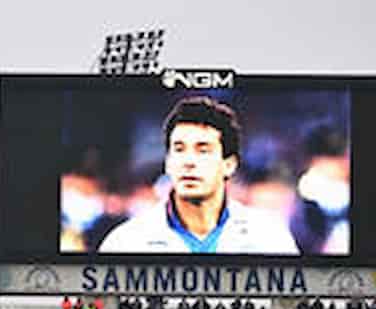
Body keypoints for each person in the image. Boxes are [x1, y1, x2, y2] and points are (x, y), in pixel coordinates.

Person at [99, 96, 298, 255]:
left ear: (229, 165)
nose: (189, 162)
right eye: (179, 149)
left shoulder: (270, 237)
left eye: (203, 150)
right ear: (168, 163)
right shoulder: (125, 242)